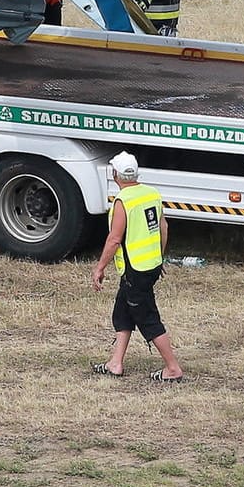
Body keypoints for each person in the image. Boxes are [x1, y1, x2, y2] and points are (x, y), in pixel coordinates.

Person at [90, 152, 185, 382]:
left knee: (147, 318)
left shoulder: (124, 201)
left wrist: (100, 268)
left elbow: (114, 239)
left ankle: (173, 368)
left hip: (135, 269)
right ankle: (115, 363)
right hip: (149, 266)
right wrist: (159, 258)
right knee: (123, 312)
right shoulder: (151, 194)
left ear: (115, 175)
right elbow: (163, 227)